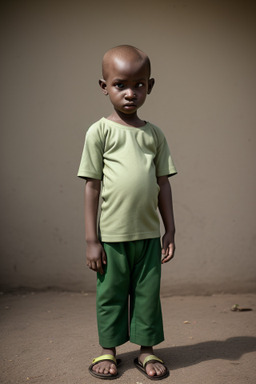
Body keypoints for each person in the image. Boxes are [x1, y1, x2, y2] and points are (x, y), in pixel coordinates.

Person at [78, 45, 177, 380]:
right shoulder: (99, 132)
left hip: (148, 236)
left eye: (139, 84)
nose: (131, 92)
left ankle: (146, 352)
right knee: (112, 295)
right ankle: (108, 350)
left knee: (148, 296)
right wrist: (92, 240)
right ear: (104, 86)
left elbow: (163, 184)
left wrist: (171, 230)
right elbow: (92, 187)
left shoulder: (154, 135)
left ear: (150, 85)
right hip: (111, 238)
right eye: (121, 84)